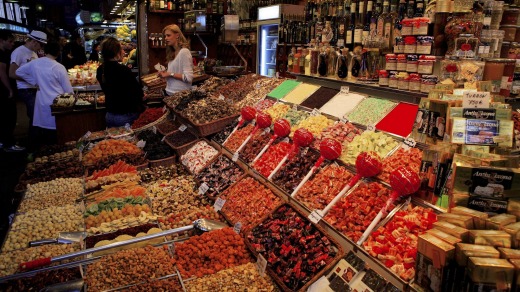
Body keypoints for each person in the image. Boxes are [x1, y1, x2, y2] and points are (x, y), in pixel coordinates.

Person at [15, 41, 73, 149]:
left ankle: (40, 153)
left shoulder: (35, 63)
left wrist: (34, 81)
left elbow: (19, 72)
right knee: (56, 133)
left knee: (43, 131)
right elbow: (68, 91)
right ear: (58, 52)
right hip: (57, 103)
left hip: (41, 101)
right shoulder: (59, 67)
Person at [9, 30, 47, 151]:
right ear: (34, 42)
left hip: (33, 88)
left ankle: (36, 142)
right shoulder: (19, 52)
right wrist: (30, 79)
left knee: (37, 115)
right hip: (25, 89)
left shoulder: (33, 53)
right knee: (35, 116)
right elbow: (12, 73)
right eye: (41, 45)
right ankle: (32, 146)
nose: (41, 48)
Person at [96, 37, 144, 128]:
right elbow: (137, 92)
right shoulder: (123, 70)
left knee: (114, 142)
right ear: (116, 52)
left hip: (109, 115)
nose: (123, 52)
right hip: (125, 116)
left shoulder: (100, 69)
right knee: (127, 142)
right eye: (121, 49)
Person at [0, 31, 24, 152]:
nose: (12, 44)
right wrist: (9, 89)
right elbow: (1, 72)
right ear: (1, 40)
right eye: (10, 41)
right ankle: (8, 143)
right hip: (4, 91)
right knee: (9, 116)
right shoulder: (2, 54)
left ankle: (4, 141)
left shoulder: (5, 53)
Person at [157, 24, 193, 95]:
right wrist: (165, 74)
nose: (166, 38)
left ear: (177, 35)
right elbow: (175, 73)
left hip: (180, 96)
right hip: (171, 93)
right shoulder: (173, 52)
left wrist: (170, 74)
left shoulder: (184, 52)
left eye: (168, 35)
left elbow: (188, 78)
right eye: (165, 36)